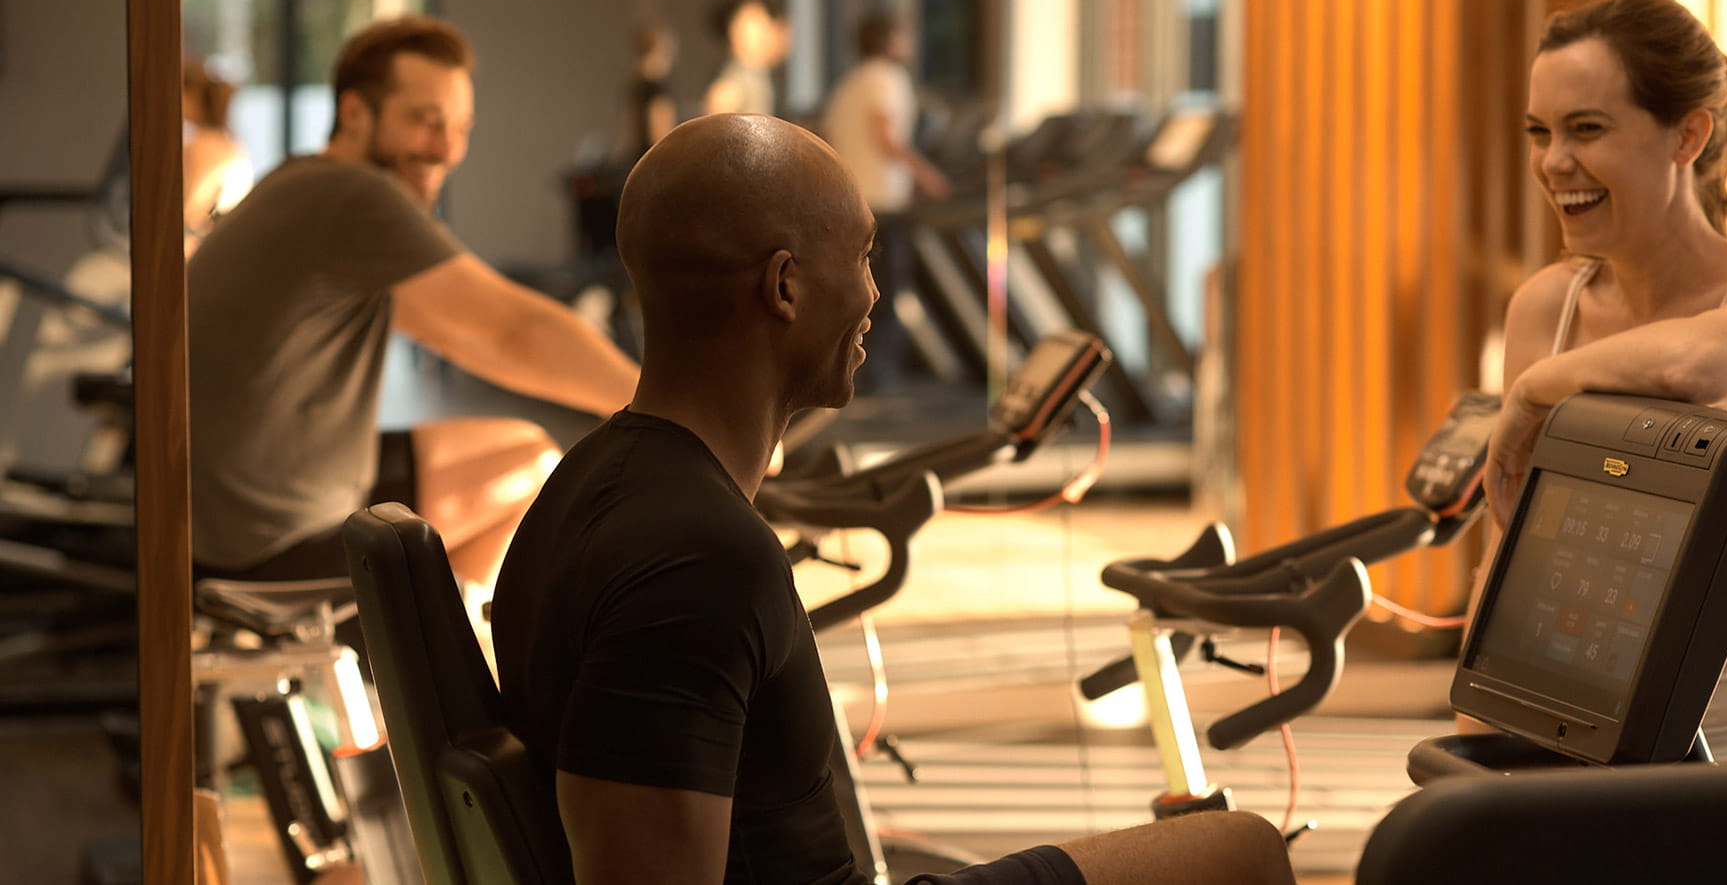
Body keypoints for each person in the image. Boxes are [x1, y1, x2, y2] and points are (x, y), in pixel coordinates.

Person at [491, 114, 1293, 884]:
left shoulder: (590, 479)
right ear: (785, 286)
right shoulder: (698, 562)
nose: (874, 294)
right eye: (864, 256)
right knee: (1239, 853)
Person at [1482, 0, 1727, 762]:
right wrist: (1473, 773)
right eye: (1541, 132)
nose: (1553, 162)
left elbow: (1698, 369)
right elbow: (1502, 578)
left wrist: (1537, 390)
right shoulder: (1548, 307)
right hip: (1570, 760)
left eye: (1587, 129)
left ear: (1689, 135)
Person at [188, 15, 641, 603]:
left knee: (528, 449)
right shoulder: (355, 196)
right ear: (354, 113)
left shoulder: (302, 182)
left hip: (237, 511)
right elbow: (509, 332)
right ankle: (447, 668)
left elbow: (455, 327)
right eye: (428, 122)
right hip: (270, 539)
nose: (449, 148)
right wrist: (673, 410)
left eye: (460, 127)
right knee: (532, 473)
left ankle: (460, 635)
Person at [820, 12, 950, 391]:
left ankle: (861, 374)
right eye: (905, 35)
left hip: (856, 199)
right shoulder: (884, 78)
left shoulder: (852, 81)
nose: (910, 42)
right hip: (881, 204)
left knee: (863, 291)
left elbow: (831, 134)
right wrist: (927, 176)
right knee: (883, 291)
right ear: (891, 39)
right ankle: (877, 378)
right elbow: (884, 135)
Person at [182, 56, 253, 257]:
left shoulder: (202, 148)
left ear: (191, 97)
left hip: (202, 250)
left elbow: (192, 209)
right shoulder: (229, 144)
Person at [702, 0, 784, 116]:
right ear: (734, 31)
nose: (763, 30)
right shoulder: (730, 85)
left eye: (765, 21)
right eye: (754, 23)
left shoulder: (759, 73)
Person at [619, 24, 678, 160]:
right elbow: (660, 135)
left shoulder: (634, 84)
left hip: (636, 159)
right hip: (654, 161)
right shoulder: (656, 88)